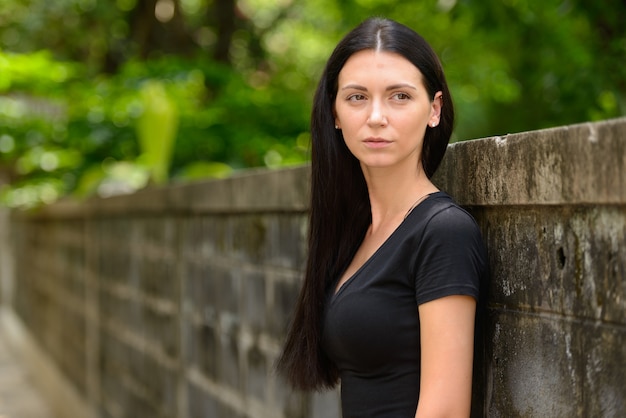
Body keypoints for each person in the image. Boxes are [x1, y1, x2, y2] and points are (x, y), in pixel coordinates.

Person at [276, 17, 488, 418]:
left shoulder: (443, 232)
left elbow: (444, 412)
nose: (376, 116)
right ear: (334, 114)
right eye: (357, 97)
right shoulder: (359, 231)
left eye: (400, 97)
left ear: (434, 109)